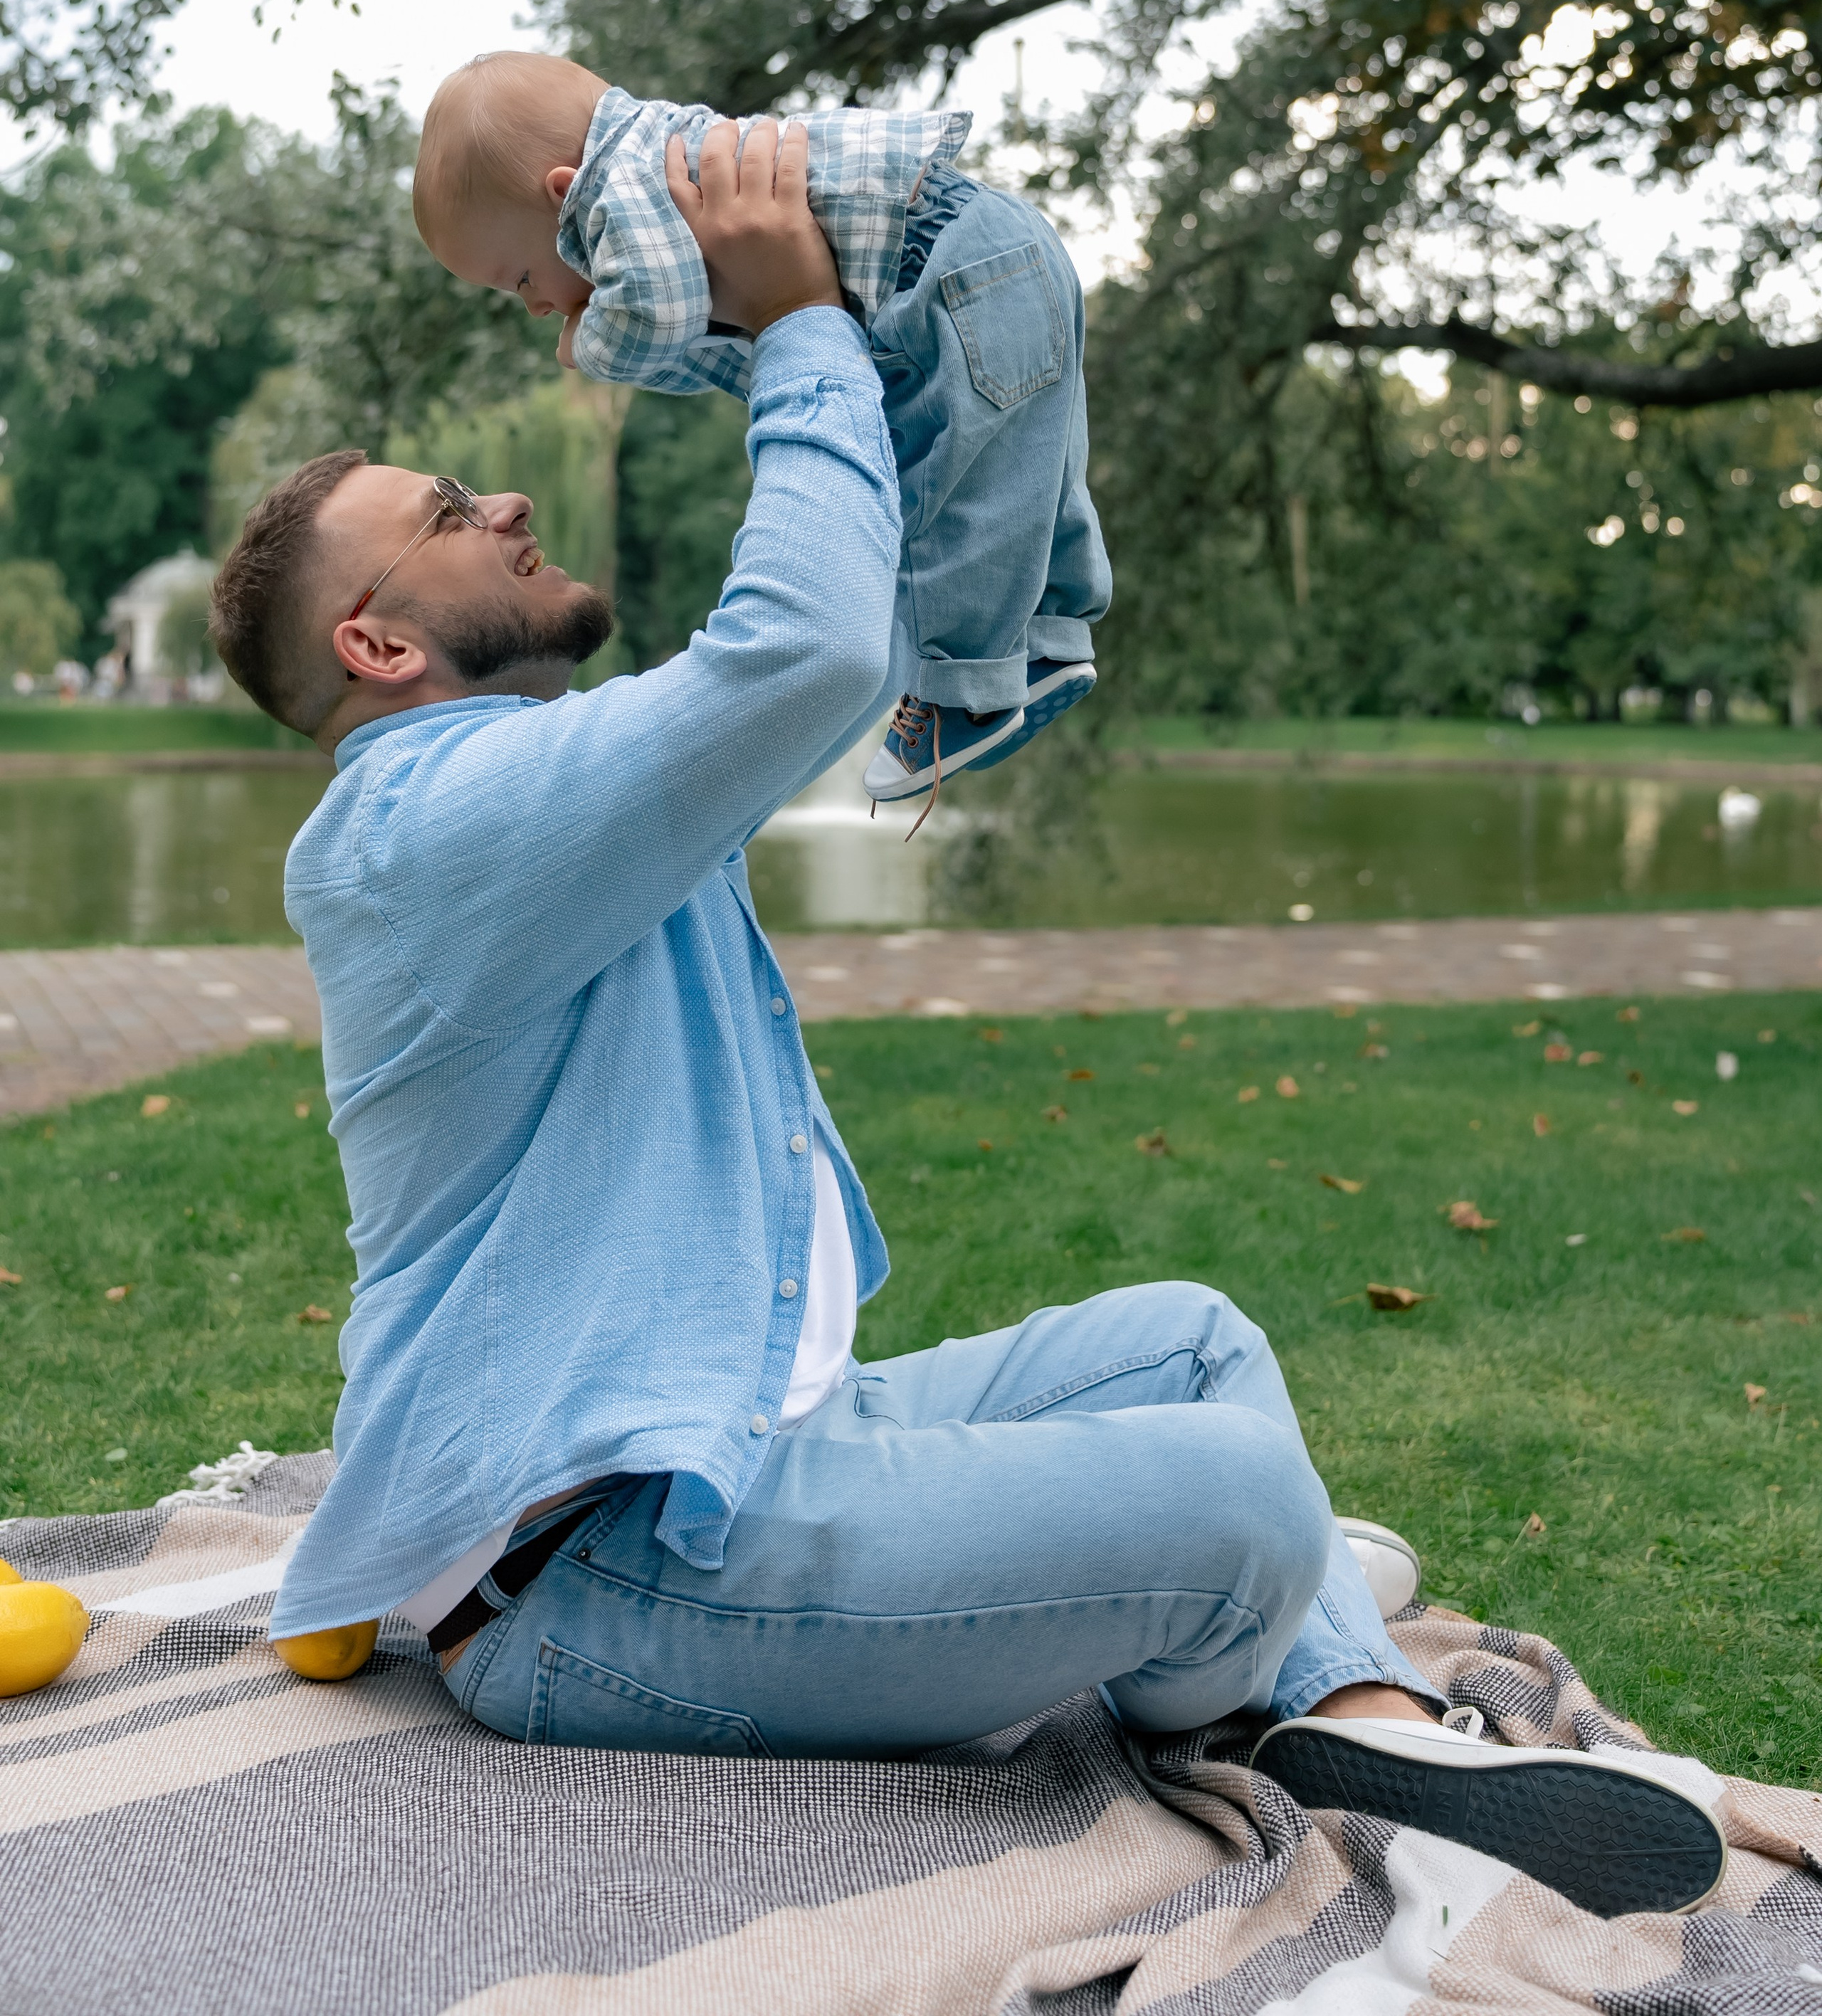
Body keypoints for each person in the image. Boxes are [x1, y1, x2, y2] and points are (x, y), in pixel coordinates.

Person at [209, 120, 1722, 1919]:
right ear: (378, 645)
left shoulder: (531, 782)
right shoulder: (425, 825)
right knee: (1237, 1497)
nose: (510, 503)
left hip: (745, 1449)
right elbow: (803, 650)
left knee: (1188, 1341)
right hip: (599, 1585)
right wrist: (792, 326)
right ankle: (1243, 1601)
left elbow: (799, 633)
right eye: (454, 517)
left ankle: (1347, 1702)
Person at [411, 50, 1110, 811]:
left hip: (939, 273)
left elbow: (660, 313)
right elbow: (707, 349)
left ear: (563, 196)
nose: (537, 307)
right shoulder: (670, 159)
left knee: (941, 495)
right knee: (1031, 468)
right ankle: (1053, 638)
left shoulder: (624, 189)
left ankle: (958, 695)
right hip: (1002, 247)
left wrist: (587, 344)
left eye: (519, 280)